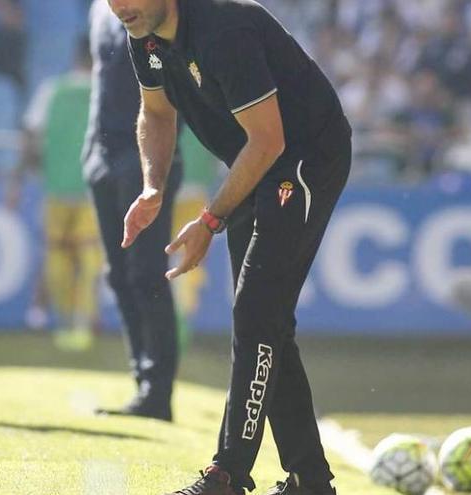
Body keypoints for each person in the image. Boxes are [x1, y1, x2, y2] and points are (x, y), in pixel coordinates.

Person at [107, 0, 352, 493]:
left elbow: (269, 141)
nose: (119, 7)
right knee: (266, 319)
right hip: (259, 163)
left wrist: (211, 219)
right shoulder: (147, 37)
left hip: (303, 159)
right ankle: (310, 480)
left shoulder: (225, 31)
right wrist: (153, 186)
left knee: (258, 311)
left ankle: (229, 473)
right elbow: (155, 113)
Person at [84, 0, 182, 421]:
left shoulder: (160, 8)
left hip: (145, 157)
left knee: (145, 273)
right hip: (102, 154)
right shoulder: (99, 9)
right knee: (119, 274)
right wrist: (91, 152)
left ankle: (157, 391)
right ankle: (144, 379)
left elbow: (177, 78)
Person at [9, 40, 103, 351]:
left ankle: (62, 320)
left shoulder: (51, 90)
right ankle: (83, 322)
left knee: (57, 256)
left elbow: (30, 138)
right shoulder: (104, 91)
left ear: (74, 57)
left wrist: (18, 179)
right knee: (89, 257)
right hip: (93, 188)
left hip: (56, 187)